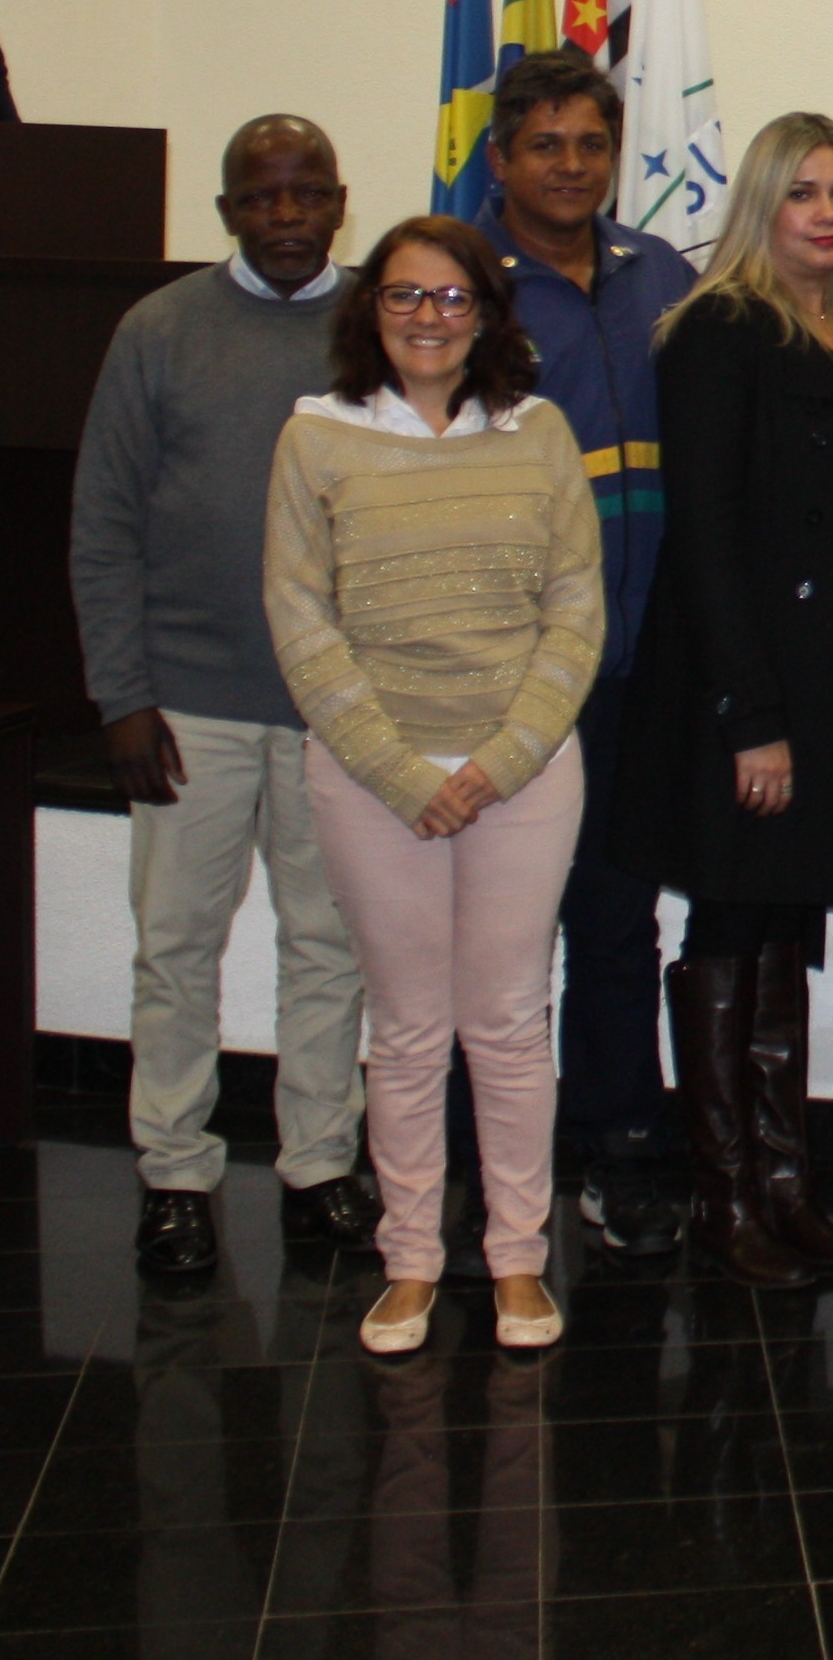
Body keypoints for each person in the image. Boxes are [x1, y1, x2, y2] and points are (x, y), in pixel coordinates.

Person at [264, 215, 605, 1356]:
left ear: (487, 316)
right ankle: (409, 1261)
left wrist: (499, 762)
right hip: (373, 777)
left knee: (507, 1024)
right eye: (405, 295)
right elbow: (299, 616)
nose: (428, 317)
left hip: (524, 773)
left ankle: (517, 1259)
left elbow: (576, 610)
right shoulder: (316, 437)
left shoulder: (538, 433)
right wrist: (400, 771)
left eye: (453, 298)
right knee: (408, 1030)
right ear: (369, 310)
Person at [70, 115, 379, 1279]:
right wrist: (122, 694)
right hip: (186, 704)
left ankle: (320, 1167)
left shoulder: (385, 323)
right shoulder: (158, 330)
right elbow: (103, 522)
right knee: (176, 947)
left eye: (307, 194)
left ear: (340, 201)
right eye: (261, 198)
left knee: (330, 945)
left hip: (337, 708)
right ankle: (175, 1177)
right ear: (226, 213)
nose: (286, 216)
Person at [603, 113, 833, 1290]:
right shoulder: (718, 328)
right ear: (759, 206)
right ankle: (724, 1197)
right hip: (741, 684)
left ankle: (787, 1185)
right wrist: (751, 717)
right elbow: (709, 533)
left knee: (785, 919)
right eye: (802, 192)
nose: (826, 214)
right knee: (730, 922)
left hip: (831, 681)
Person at [471, 48, 698, 1254]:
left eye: (591, 144)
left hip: (637, 659)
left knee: (617, 919)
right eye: (544, 144)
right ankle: (481, 1165)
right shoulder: (458, 282)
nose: (571, 165)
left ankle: (623, 1143)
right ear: (499, 157)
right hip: (506, 670)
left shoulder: (658, 270)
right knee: (496, 934)